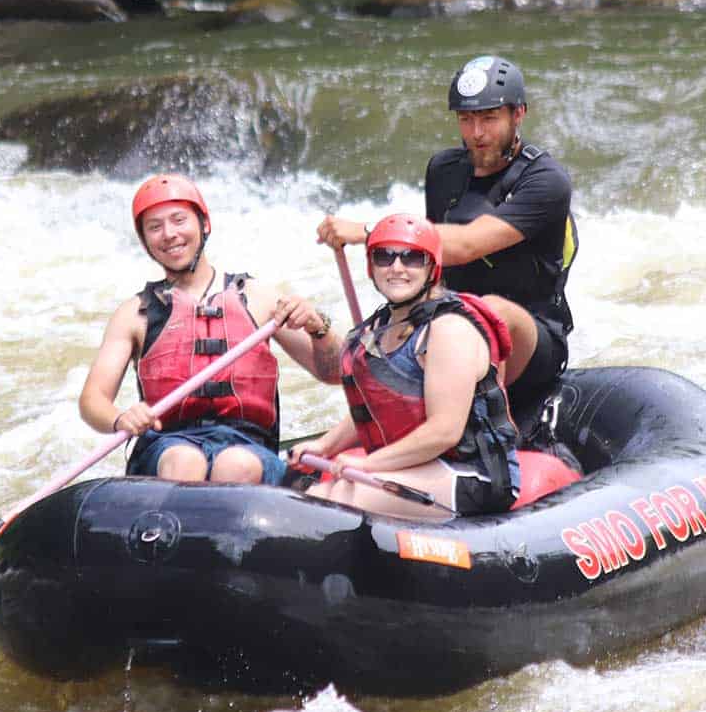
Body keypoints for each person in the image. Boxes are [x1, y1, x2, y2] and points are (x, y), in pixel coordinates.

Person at [316, 54, 576, 435]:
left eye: (489, 119)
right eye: (466, 120)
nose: (476, 133)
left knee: (492, 311)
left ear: (518, 114)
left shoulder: (546, 180)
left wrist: (372, 232)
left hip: (531, 338)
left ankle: (491, 437)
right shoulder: (444, 170)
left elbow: (468, 244)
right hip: (450, 323)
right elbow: (434, 268)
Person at [79, 173, 343, 485]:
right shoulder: (134, 314)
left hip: (249, 446)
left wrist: (319, 328)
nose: (169, 234)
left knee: (236, 464)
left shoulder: (260, 298)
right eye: (155, 227)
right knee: (184, 460)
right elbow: (92, 399)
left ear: (204, 224)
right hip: (167, 446)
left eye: (179, 220)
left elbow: (335, 372)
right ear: (146, 241)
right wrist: (120, 418)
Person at [288, 215, 519, 520]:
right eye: (384, 257)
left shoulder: (449, 329)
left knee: (328, 505)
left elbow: (444, 431)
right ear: (371, 267)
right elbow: (375, 407)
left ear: (431, 268)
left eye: (411, 258)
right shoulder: (380, 328)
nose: (396, 268)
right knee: (307, 495)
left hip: (476, 475)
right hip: (423, 465)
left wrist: (368, 465)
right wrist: (324, 445)